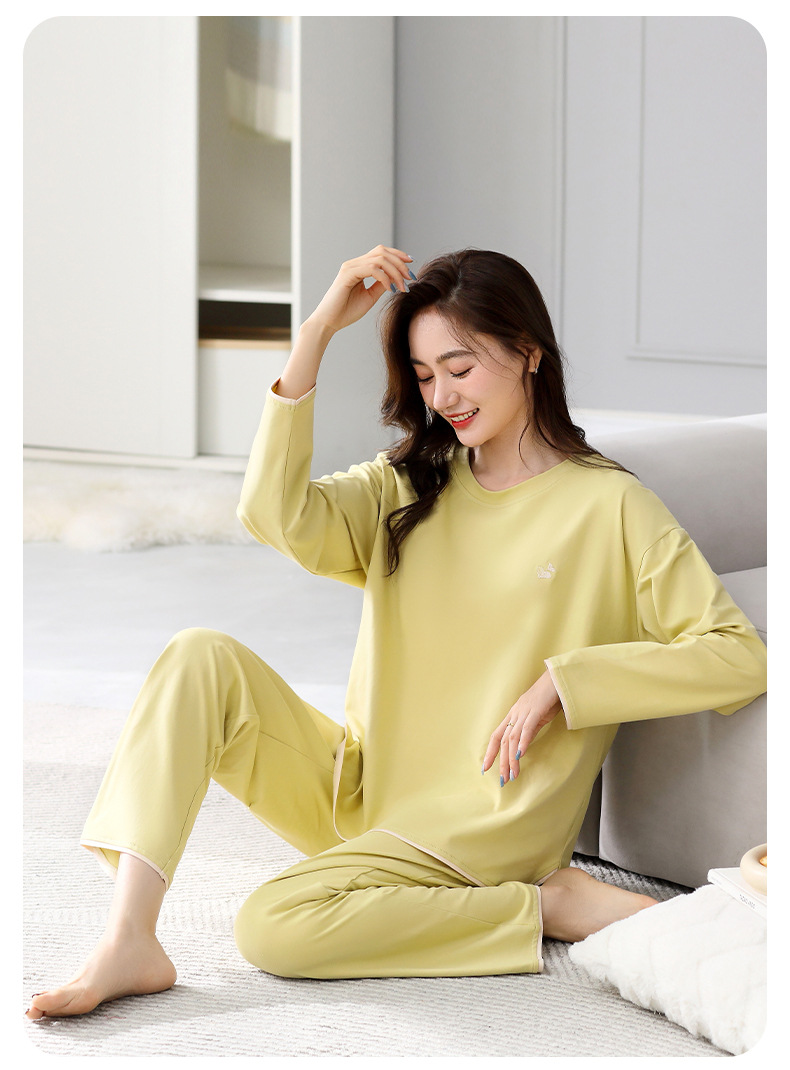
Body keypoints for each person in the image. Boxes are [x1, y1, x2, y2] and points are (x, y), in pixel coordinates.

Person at [26, 245, 767, 1020]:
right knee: (197, 657)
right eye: (423, 376)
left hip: (483, 827)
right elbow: (272, 515)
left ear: (528, 353)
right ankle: (129, 938)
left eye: (460, 367)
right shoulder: (410, 485)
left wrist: (566, 681)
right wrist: (316, 332)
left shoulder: (609, 505)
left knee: (274, 927)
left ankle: (540, 906)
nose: (443, 395)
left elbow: (735, 654)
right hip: (364, 796)